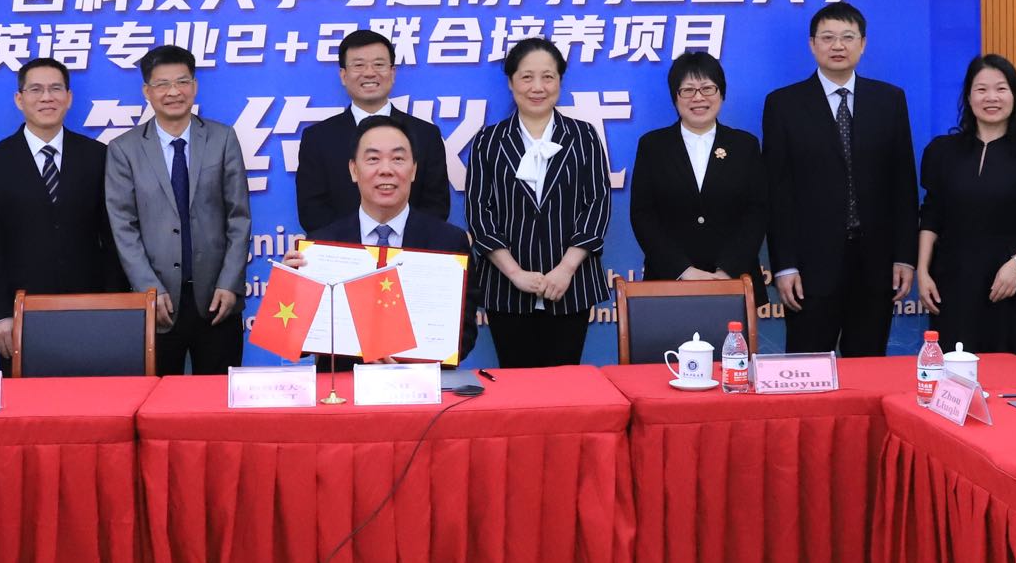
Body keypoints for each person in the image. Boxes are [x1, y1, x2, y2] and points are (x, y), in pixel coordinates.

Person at [762, 2, 918, 356]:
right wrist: (785, 264)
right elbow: (778, 193)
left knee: (868, 367)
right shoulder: (783, 105)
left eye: (847, 37)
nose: (838, 46)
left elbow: (903, 185)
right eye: (828, 37)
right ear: (812, 44)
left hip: (875, 264)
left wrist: (904, 257)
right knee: (807, 366)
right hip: (810, 266)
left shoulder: (889, 100)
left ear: (862, 44)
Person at [281, 113, 482, 363]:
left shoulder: (448, 243)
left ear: (413, 170)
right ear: (354, 170)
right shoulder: (322, 246)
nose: (386, 170)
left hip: (421, 391)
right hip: (343, 393)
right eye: (373, 159)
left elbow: (465, 335)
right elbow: (297, 345)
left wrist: (411, 359)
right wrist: (292, 292)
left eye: (398, 159)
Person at [105, 45, 253, 374]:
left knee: (219, 406)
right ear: (147, 91)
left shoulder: (222, 138)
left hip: (217, 298)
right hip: (157, 303)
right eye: (162, 84)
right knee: (157, 407)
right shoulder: (124, 150)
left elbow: (238, 218)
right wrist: (148, 290)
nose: (174, 92)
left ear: (194, 86)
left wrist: (230, 284)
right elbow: (123, 227)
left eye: (182, 82)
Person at [465, 38, 611, 368]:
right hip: (507, 288)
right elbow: (479, 213)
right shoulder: (489, 141)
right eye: (527, 76)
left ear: (560, 81)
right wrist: (515, 273)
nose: (538, 87)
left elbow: (597, 206)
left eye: (548, 77)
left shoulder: (583, 135)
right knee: (517, 384)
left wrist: (566, 268)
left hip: (571, 286)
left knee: (565, 383)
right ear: (511, 82)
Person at [0, 57, 120, 371]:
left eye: (55, 89)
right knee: (29, 413)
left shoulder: (98, 157)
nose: (46, 97)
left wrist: (113, 306)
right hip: (21, 313)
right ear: (19, 99)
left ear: (69, 98)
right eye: (36, 89)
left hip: (89, 309)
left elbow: (113, 239)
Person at [913, 55, 1016, 358]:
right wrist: (923, 271)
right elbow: (931, 215)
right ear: (968, 97)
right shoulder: (942, 151)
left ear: (1015, 96)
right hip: (952, 281)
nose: (991, 97)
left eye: (1001, 89)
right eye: (981, 89)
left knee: (1010, 375)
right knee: (953, 374)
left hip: (1008, 282)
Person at [628, 51, 767, 295]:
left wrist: (727, 271)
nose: (698, 97)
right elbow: (643, 215)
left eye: (707, 88)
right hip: (668, 282)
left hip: (733, 282)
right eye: (688, 90)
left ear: (721, 93)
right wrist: (683, 271)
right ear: (675, 97)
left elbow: (756, 213)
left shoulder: (745, 145)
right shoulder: (653, 145)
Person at [295, 29, 451, 232]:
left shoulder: (426, 135)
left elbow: (436, 207)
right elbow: (312, 211)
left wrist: (396, 241)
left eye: (379, 64)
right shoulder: (317, 138)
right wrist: (361, 246)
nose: (369, 72)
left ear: (392, 73)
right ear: (343, 75)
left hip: (411, 256)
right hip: (341, 256)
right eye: (359, 65)